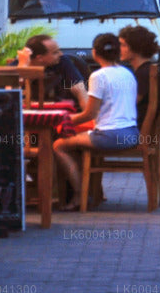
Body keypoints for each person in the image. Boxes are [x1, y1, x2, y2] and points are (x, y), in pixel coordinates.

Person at [52, 33, 140, 211]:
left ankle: (78, 195)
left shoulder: (98, 76)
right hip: (132, 134)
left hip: (109, 136)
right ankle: (92, 192)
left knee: (59, 145)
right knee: (75, 141)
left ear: (95, 53)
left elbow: (89, 114)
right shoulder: (127, 73)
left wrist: (65, 119)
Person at [15, 34, 88, 109]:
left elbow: (80, 91)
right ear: (40, 58)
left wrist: (91, 117)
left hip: (57, 110)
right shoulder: (16, 65)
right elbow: (11, 97)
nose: (61, 54)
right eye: (55, 52)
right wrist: (23, 67)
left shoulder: (62, 61)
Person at [118, 25, 159, 130]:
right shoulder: (149, 70)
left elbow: (128, 105)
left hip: (132, 131)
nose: (119, 49)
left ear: (136, 48)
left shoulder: (143, 74)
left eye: (123, 45)